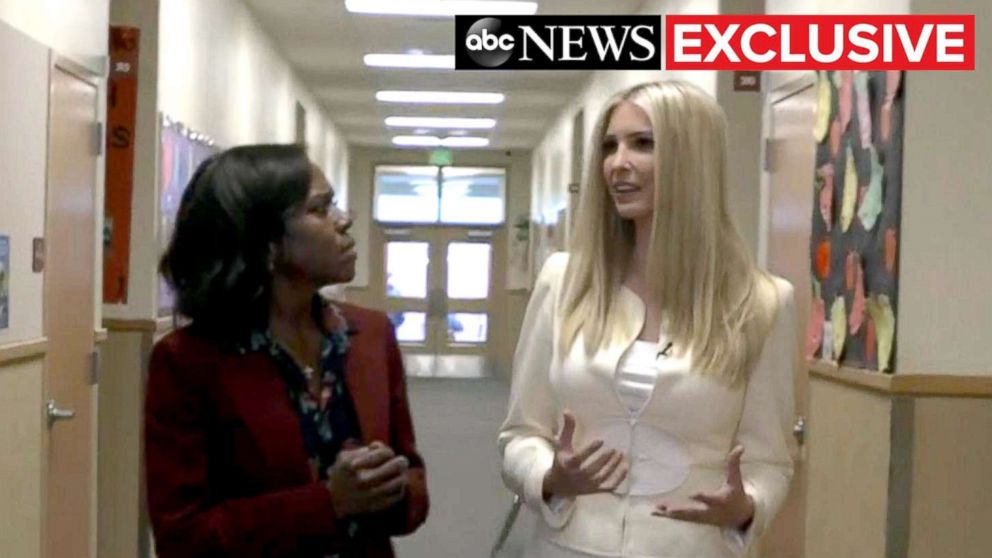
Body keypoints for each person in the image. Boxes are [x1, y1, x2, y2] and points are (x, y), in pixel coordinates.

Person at [499, 81, 797, 557]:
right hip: (569, 546)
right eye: (609, 146)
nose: (618, 164)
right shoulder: (564, 282)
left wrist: (746, 507)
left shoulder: (761, 303)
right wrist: (549, 475)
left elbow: (770, 462)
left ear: (692, 159)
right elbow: (520, 435)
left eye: (643, 144)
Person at [146, 144, 428, 558]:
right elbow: (183, 537)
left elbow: (414, 485)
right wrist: (328, 503)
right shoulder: (188, 361)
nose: (344, 220)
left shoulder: (371, 335)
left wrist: (390, 488)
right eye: (320, 209)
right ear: (266, 242)